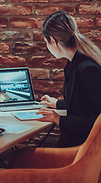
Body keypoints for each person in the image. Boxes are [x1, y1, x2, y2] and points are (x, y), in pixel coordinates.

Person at [36, 10, 101, 147]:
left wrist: (60, 119)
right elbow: (84, 103)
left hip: (86, 150)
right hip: (83, 145)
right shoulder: (75, 63)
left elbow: (98, 119)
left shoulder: (86, 69)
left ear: (52, 41)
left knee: (21, 157)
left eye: (46, 42)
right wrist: (58, 103)